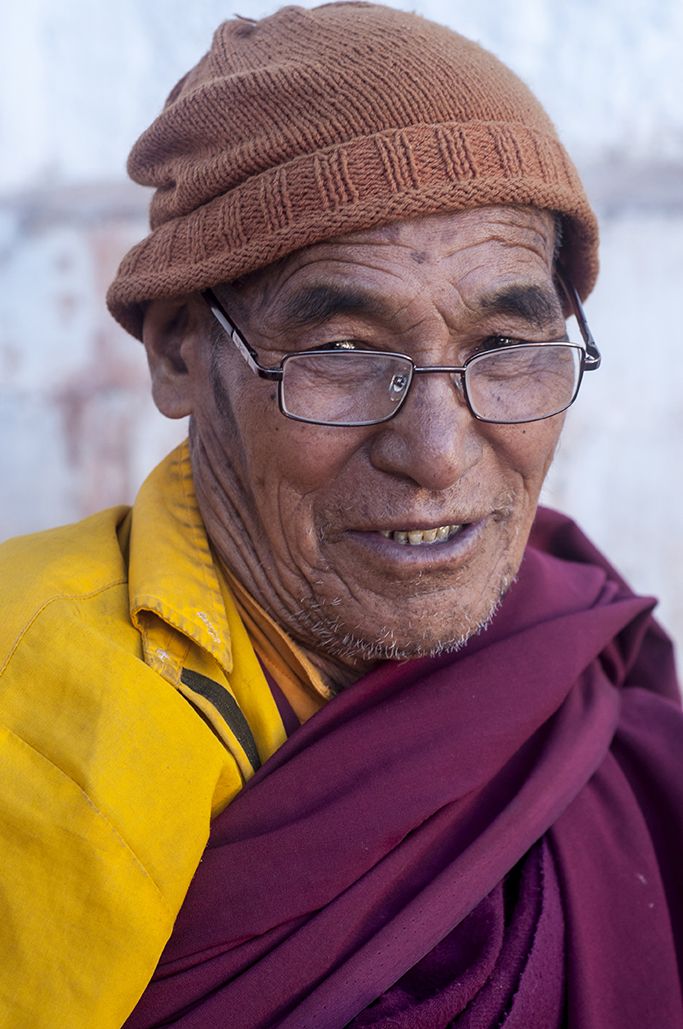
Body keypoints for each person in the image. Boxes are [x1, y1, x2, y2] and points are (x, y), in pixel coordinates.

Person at [1, 4, 681, 1027]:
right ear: (181, 351)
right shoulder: (41, 726)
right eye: (346, 354)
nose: (437, 454)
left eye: (504, 344)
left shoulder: (563, 655)